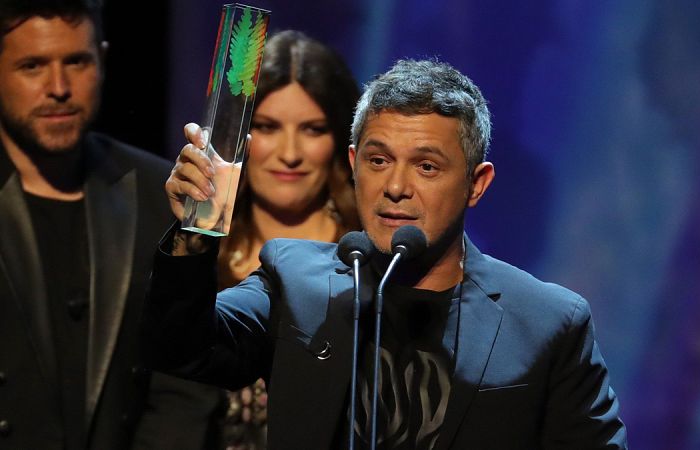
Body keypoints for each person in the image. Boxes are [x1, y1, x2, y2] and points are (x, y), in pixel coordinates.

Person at [145, 59, 628, 449]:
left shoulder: (547, 322)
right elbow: (181, 349)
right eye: (378, 161)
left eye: (426, 166)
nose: (395, 187)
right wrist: (198, 227)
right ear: (354, 165)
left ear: (476, 184)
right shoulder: (294, 280)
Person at [0, 1, 219, 448]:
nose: (58, 87)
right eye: (32, 65)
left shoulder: (159, 194)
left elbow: (182, 378)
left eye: (77, 61)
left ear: (102, 58)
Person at [215, 30, 361, 449]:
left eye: (313, 129)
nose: (290, 153)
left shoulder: (366, 261)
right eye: (267, 127)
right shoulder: (197, 251)